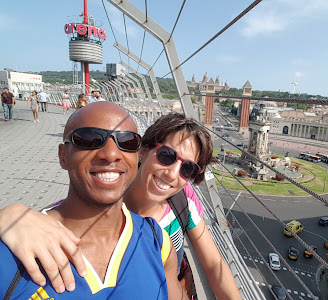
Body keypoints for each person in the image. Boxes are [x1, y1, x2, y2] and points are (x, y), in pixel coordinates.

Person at [0, 113, 241, 299]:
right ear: (143, 151)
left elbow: (213, 264)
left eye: (187, 169)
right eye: (166, 156)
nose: (172, 174)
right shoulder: (105, 197)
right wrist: (10, 216)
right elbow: (65, 214)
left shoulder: (182, 199)